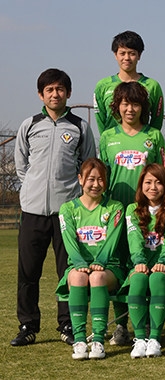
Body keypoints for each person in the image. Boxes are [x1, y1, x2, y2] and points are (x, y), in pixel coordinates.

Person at [13, 68, 96, 347]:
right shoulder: (29, 125)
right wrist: (33, 190)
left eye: (60, 89)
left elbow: (88, 165)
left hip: (67, 213)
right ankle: (27, 325)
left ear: (68, 93)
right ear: (41, 94)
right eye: (49, 89)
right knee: (28, 273)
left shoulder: (79, 127)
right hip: (33, 212)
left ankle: (68, 324)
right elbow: (21, 166)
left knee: (69, 272)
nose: (55, 94)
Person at [99, 81, 165, 346]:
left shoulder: (154, 136)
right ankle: (121, 325)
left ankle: (146, 322)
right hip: (118, 215)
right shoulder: (108, 137)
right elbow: (103, 177)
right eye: (125, 104)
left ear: (143, 107)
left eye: (135, 104)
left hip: (147, 215)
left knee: (146, 265)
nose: (130, 109)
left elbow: (162, 176)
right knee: (121, 267)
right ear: (117, 107)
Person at [56, 158, 125, 360]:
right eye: (90, 179)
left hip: (108, 267)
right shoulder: (68, 208)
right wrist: (79, 263)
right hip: (79, 267)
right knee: (78, 277)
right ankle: (79, 340)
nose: (96, 184)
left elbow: (112, 240)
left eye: (101, 179)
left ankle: (98, 340)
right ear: (80, 179)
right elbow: (69, 241)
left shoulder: (115, 207)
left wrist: (100, 262)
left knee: (97, 277)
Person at [123, 164, 165, 358]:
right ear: (141, 185)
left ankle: (155, 339)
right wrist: (139, 261)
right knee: (138, 278)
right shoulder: (132, 209)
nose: (153, 187)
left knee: (157, 278)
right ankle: (140, 339)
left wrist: (163, 261)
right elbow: (134, 240)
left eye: (158, 182)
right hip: (141, 266)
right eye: (148, 182)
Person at [94, 30, 164, 133]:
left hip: (143, 141)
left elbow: (157, 121)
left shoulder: (152, 86)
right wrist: (107, 139)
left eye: (132, 53)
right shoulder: (103, 86)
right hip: (113, 142)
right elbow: (100, 120)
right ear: (115, 55)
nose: (127, 58)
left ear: (139, 55)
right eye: (122, 53)